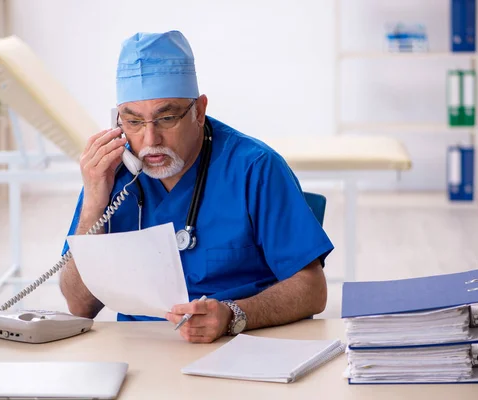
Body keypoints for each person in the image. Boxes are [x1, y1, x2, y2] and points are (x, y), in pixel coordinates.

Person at [60, 30, 334, 343]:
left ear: (199, 111)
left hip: (240, 344)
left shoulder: (255, 167)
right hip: (143, 349)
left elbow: (313, 288)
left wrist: (234, 315)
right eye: (133, 122)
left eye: (166, 119)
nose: (150, 141)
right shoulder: (113, 174)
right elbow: (79, 305)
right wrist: (95, 199)